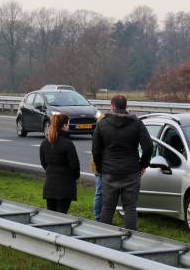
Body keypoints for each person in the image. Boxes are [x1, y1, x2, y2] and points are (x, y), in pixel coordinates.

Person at [92, 95, 153, 231]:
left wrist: (100, 167)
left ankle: (102, 241)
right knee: (130, 208)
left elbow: (95, 149)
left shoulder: (102, 124)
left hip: (109, 172)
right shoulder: (136, 123)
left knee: (107, 207)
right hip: (131, 172)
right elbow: (148, 146)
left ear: (112, 106)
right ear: (125, 106)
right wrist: (143, 165)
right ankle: (130, 241)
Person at [39, 113, 80, 214]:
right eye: (68, 124)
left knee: (52, 216)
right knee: (62, 215)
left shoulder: (45, 143)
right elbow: (74, 165)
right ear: (64, 126)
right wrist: (75, 176)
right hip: (65, 186)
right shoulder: (68, 144)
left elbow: (44, 163)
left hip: (50, 185)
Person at [89, 112, 106, 221]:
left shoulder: (100, 129)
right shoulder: (101, 131)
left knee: (101, 191)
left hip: (101, 164)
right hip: (100, 165)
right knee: (100, 191)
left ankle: (101, 216)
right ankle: (98, 217)